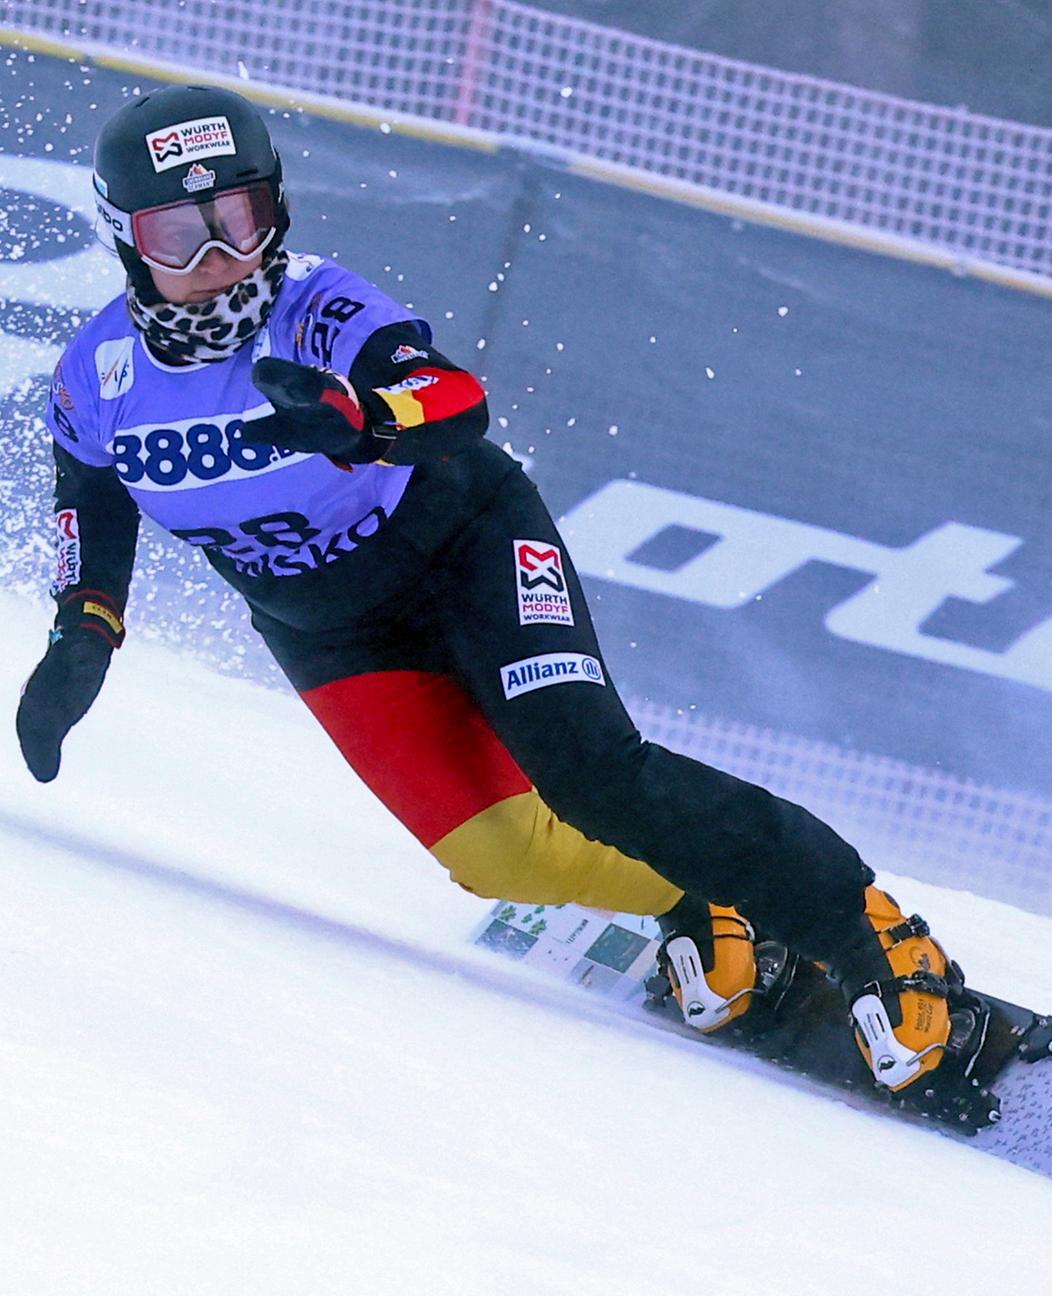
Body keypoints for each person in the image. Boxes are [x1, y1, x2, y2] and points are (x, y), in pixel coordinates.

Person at [17, 84, 980, 1113]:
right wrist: (87, 628)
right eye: (180, 236)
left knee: (592, 775)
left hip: (464, 541)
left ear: (275, 214)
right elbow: (92, 494)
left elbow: (455, 399)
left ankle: (861, 922)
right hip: (329, 625)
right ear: (126, 241)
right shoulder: (97, 374)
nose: (219, 262)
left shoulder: (324, 308)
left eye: (239, 221)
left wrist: (367, 421)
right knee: (498, 858)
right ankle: (700, 896)